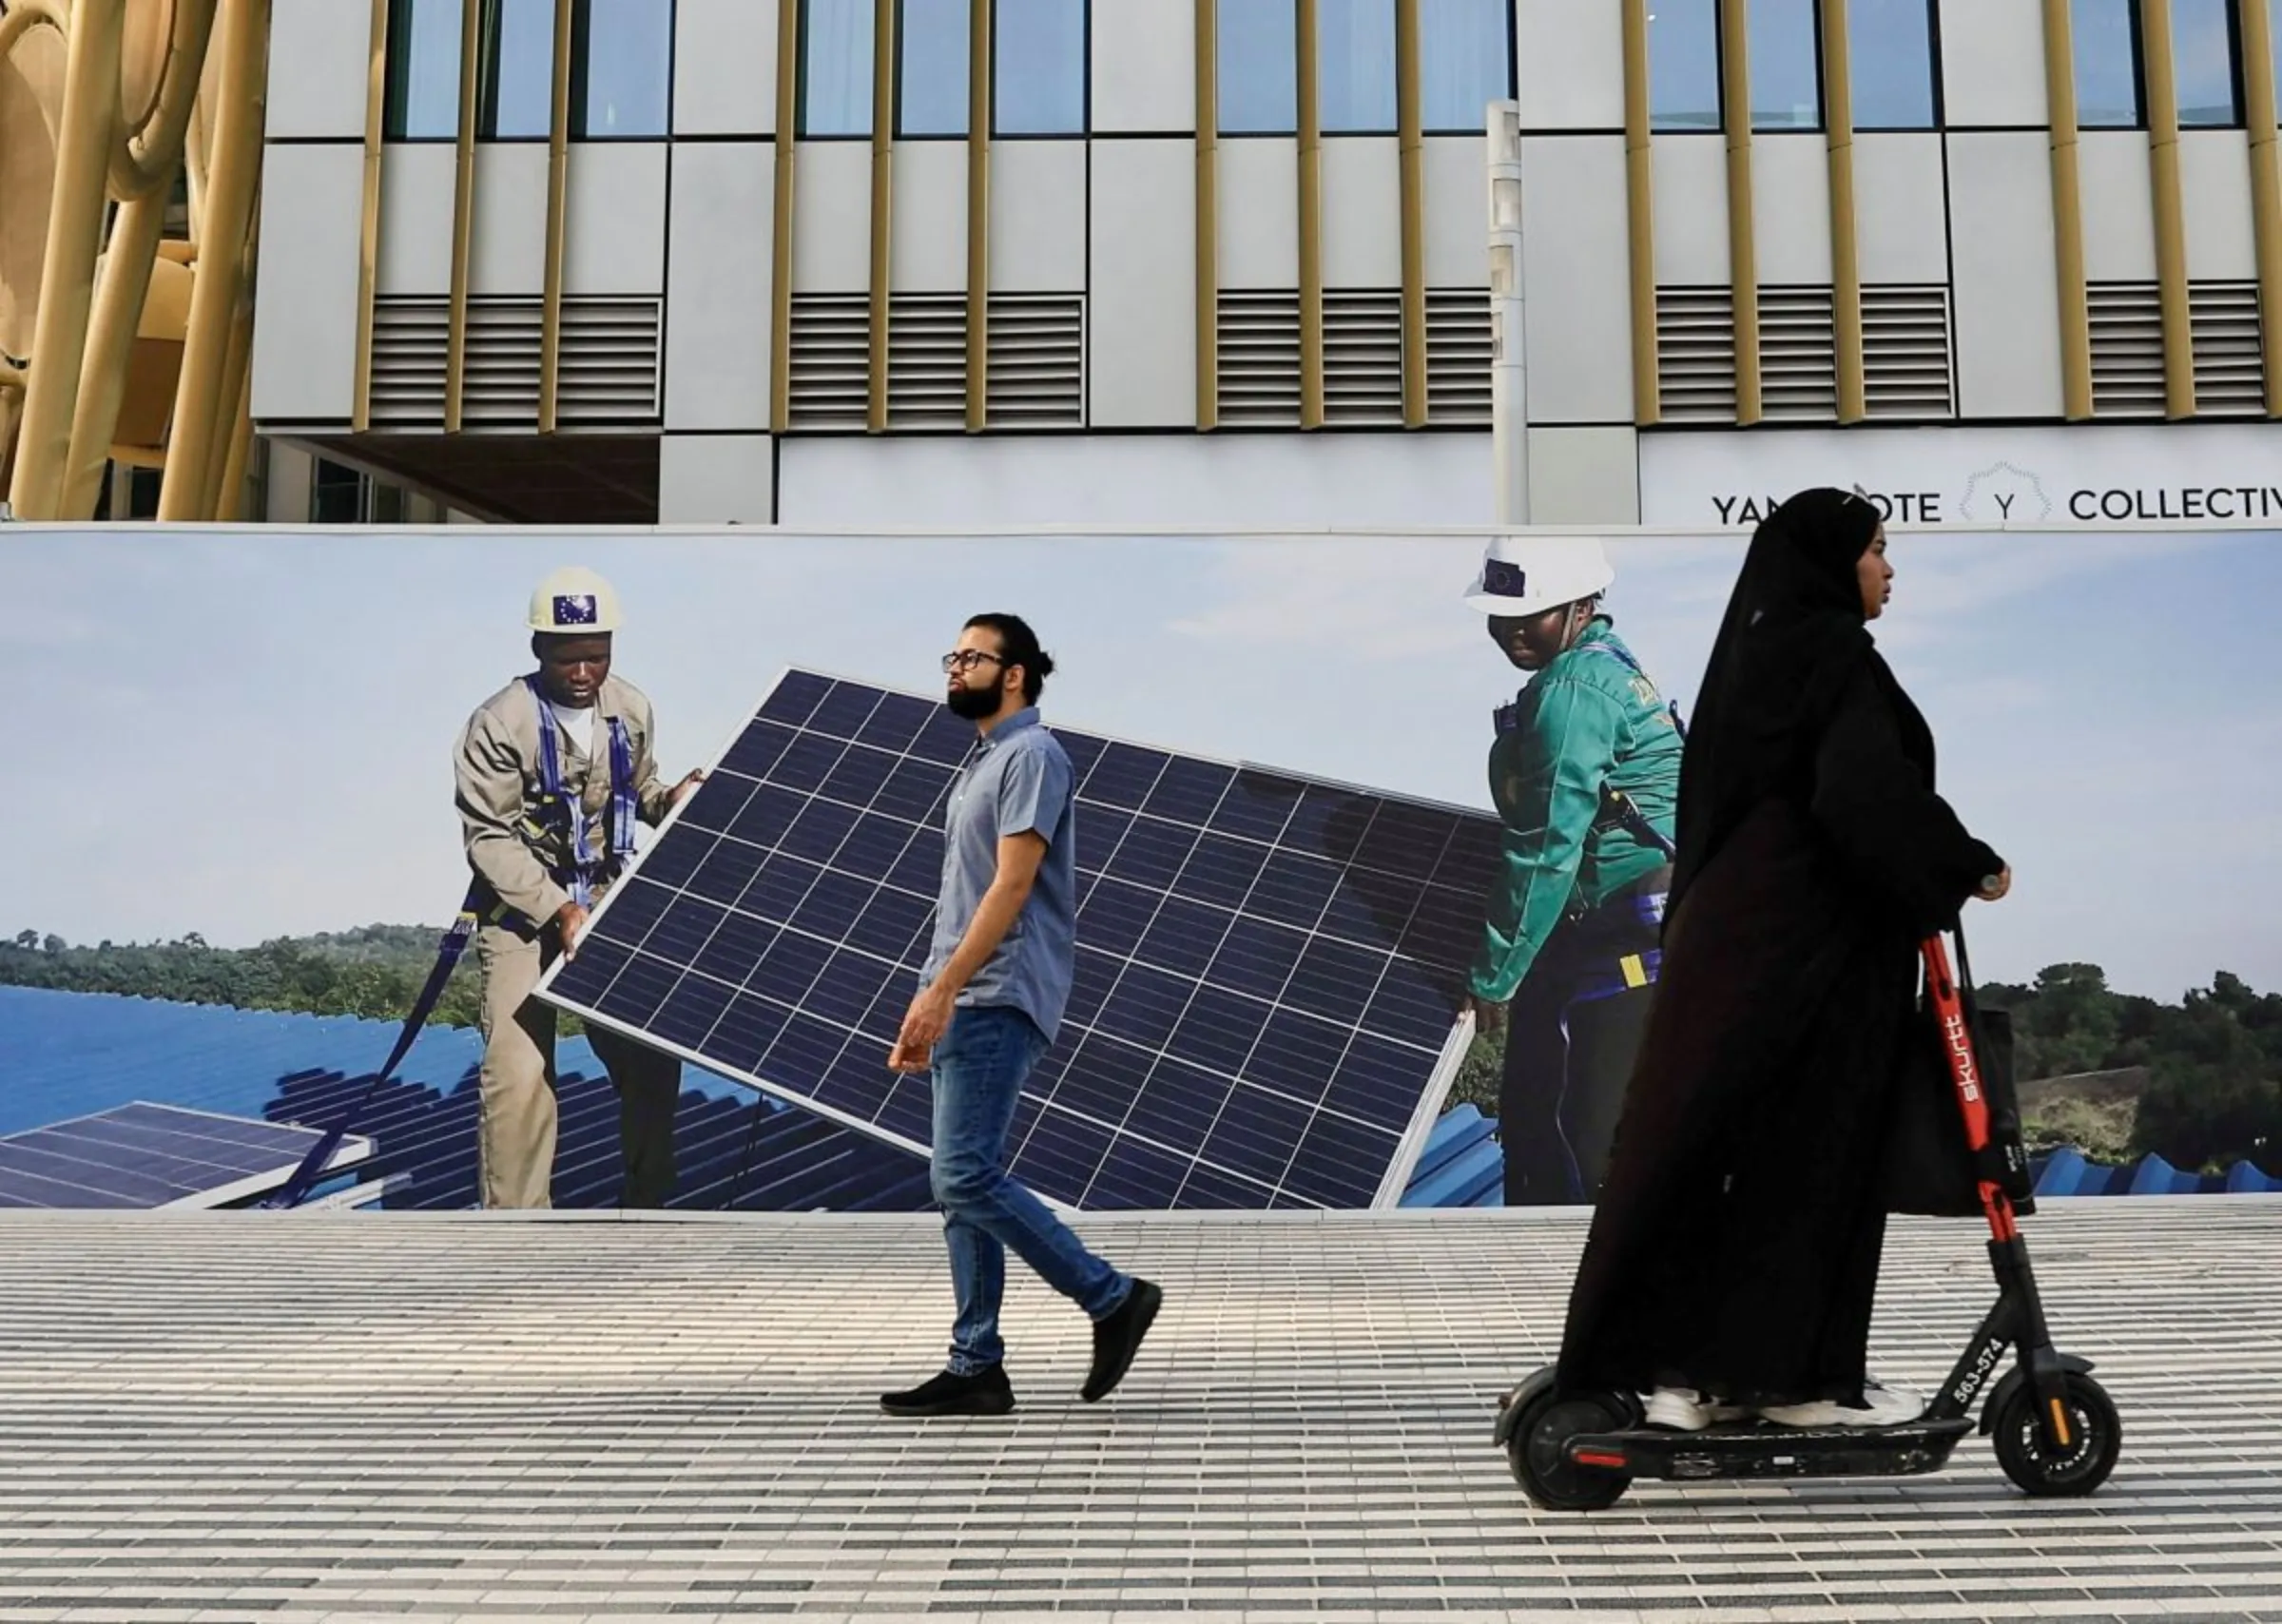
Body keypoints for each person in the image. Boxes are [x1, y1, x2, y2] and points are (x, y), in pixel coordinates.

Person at [1552, 488, 2011, 1433]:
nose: (1890, 569)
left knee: (1701, 1147)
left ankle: (1678, 1372)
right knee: (1810, 1155)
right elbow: (1862, 797)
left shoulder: (1751, 660)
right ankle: (1785, 1380)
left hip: (1731, 943)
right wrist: (1969, 864)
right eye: (1877, 550)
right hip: (1811, 955)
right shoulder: (1835, 657)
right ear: (1830, 563)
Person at [879, 612, 1162, 1418]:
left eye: (970, 656)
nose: (954, 667)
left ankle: (1111, 1299)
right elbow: (961, 896)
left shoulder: (1033, 756)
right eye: (951, 655)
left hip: (998, 990)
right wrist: (926, 996)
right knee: (957, 1189)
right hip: (962, 991)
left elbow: (1009, 886)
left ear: (1015, 673)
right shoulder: (982, 762)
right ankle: (976, 1366)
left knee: (962, 1173)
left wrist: (945, 991)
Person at [454, 566, 704, 1209]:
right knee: (519, 1072)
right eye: (569, 658)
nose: (584, 672)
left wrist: (671, 799)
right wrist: (559, 909)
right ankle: (516, 1233)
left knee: (651, 1057)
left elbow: (638, 792)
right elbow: (490, 839)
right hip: (521, 913)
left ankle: (649, 1210)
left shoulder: (632, 708)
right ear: (539, 649)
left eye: (597, 655)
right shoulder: (499, 724)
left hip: (609, 901)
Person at [1461, 535, 1685, 1205]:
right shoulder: (1607, 664)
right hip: (1624, 926)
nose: (1509, 630)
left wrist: (1495, 976)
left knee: (1580, 1149)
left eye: (1527, 614)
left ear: (1582, 606)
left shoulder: (1574, 691)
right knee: (1537, 1121)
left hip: (1630, 937)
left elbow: (1545, 845)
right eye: (1499, 615)